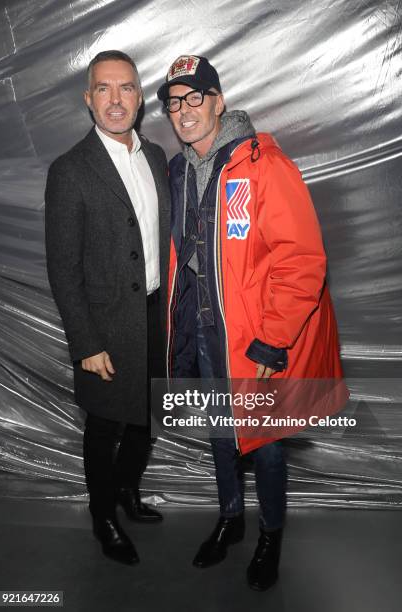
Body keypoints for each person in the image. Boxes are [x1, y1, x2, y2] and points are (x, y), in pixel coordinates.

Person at [157, 55, 348, 590]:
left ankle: (270, 535)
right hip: (203, 325)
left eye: (195, 98)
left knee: (263, 440)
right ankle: (230, 519)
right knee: (222, 429)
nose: (184, 111)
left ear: (218, 101)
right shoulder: (178, 168)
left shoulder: (263, 165)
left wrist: (271, 342)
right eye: (174, 103)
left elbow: (302, 260)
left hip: (252, 332)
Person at [45, 50, 170, 565]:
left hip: (156, 314)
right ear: (88, 99)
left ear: (139, 99)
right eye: (104, 88)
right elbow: (62, 267)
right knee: (104, 427)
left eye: (126, 88)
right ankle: (103, 516)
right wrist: (86, 343)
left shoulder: (157, 157)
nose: (115, 100)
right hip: (104, 326)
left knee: (144, 418)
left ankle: (127, 491)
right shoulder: (70, 170)